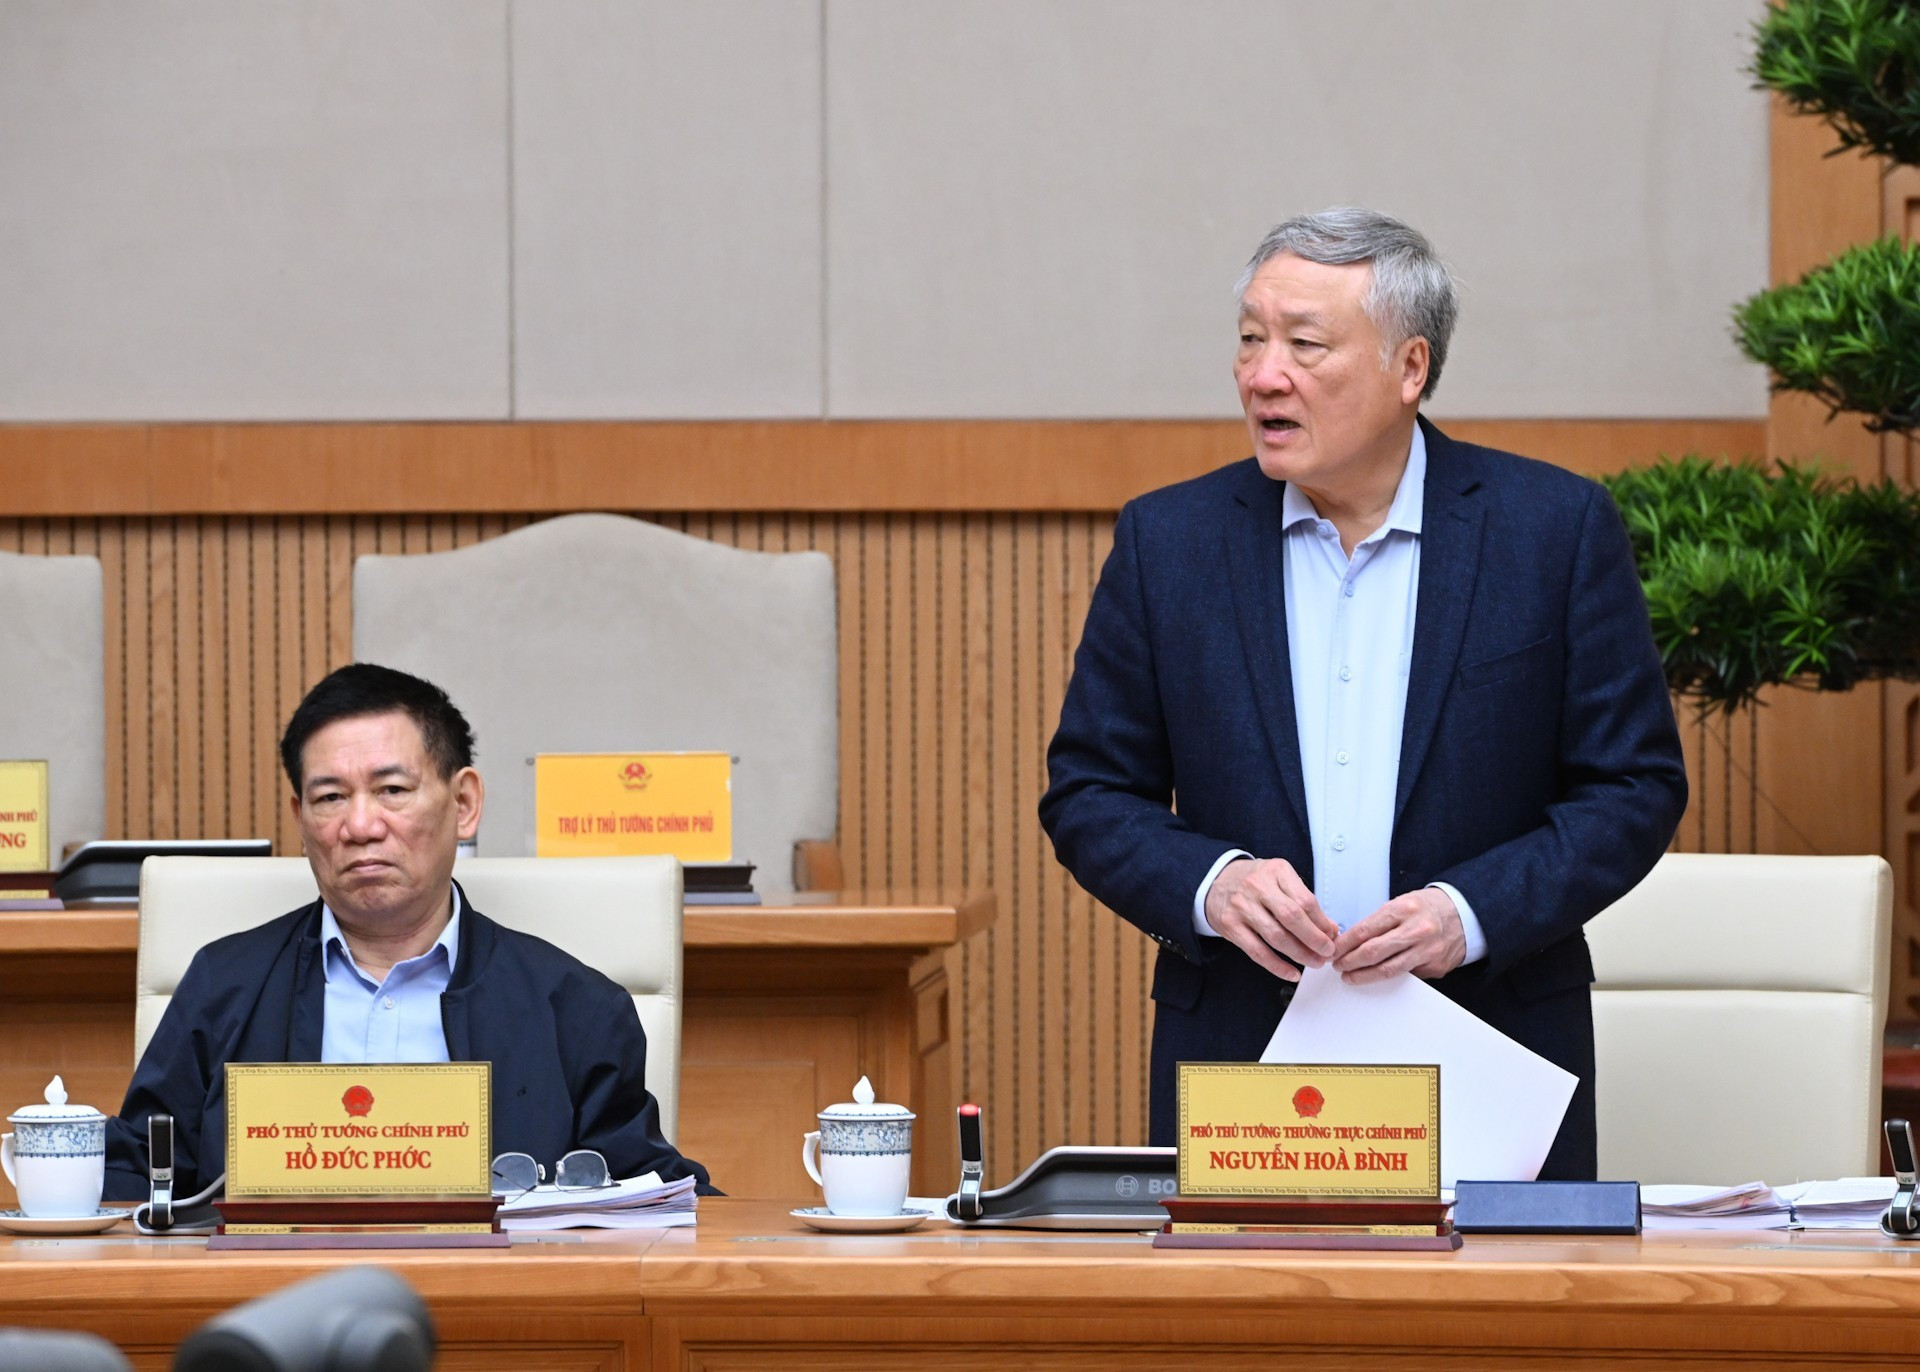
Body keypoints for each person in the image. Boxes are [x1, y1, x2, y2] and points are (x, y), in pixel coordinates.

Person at [1039, 208, 1687, 1179]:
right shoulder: (1171, 543)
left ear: (1410, 368)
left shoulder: (1549, 532)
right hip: (1247, 1063)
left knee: (1494, 1332)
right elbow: (1089, 791)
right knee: (1258, 1334)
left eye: (1304, 345)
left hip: (1488, 1043)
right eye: (1252, 340)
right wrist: (1214, 884)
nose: (1263, 375)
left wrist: (1468, 911)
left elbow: (1632, 788)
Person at [103, 663, 711, 1200]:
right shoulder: (224, 986)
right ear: (300, 819)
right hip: (275, 1310)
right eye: (330, 797)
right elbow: (139, 1174)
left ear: (464, 803)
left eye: (392, 790)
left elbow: (646, 1193)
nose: (360, 825)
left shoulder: (576, 1007)